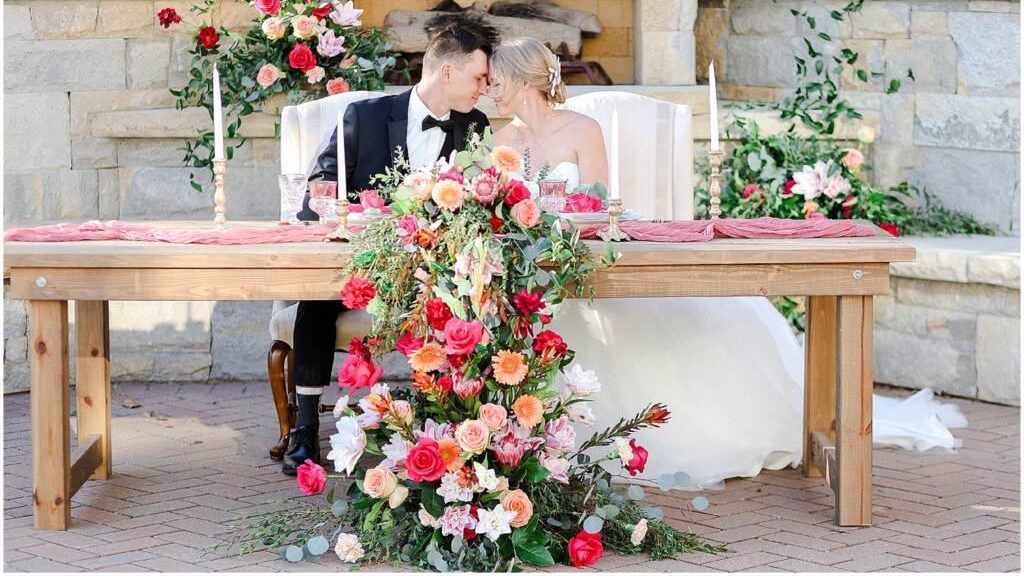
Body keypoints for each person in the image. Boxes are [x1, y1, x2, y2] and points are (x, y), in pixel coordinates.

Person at [487, 37, 964, 488]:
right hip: (536, 267)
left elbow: (597, 202)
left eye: (496, 80)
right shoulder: (501, 139)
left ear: (522, 79)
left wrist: (562, 218)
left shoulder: (581, 128)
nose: (490, 89)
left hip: (585, 250)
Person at [282, 26, 492, 476]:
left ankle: (445, 424)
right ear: (448, 70)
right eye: (479, 77)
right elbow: (315, 199)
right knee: (317, 298)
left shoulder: (476, 126)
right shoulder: (365, 116)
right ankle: (303, 428)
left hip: (435, 271)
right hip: (363, 263)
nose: (484, 88)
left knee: (463, 301)